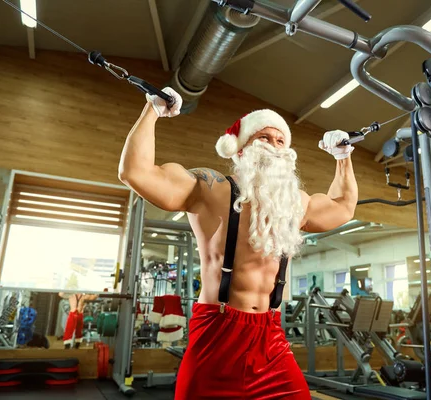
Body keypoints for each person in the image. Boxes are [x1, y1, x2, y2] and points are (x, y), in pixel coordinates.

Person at [118, 88, 358, 399]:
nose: (273, 146)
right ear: (241, 148)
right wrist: (152, 110)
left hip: (271, 340)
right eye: (263, 138)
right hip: (216, 335)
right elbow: (135, 172)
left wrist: (344, 158)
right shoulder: (211, 189)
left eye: (280, 140)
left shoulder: (295, 204)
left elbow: (343, 206)